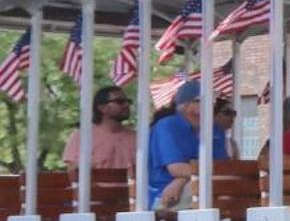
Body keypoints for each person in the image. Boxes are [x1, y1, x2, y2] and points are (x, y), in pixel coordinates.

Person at [147, 80, 231, 210]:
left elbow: (222, 167)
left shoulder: (214, 130)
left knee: (233, 191)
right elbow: (177, 169)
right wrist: (182, 179)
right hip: (164, 193)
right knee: (207, 190)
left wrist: (180, 181)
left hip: (197, 185)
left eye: (211, 100)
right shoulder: (167, 126)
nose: (208, 104)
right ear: (183, 105)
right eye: (200, 101)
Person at [62, 84, 137, 182]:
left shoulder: (137, 138)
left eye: (128, 101)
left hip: (132, 196)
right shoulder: (82, 136)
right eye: (119, 102)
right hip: (93, 196)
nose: (126, 105)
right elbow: (73, 173)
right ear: (102, 108)